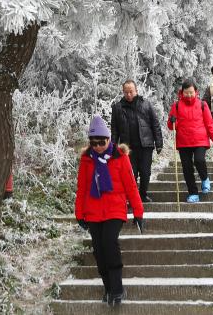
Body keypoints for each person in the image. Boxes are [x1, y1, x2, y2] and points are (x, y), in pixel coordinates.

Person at [75, 114, 145, 306]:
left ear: (109, 139)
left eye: (101, 142)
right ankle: (108, 288)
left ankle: (117, 288)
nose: (98, 146)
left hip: (115, 209)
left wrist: (138, 212)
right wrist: (79, 213)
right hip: (93, 210)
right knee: (98, 250)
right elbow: (82, 188)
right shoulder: (86, 159)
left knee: (109, 243)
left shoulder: (120, 157)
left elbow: (131, 186)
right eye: (94, 143)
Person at [167, 80, 213, 203]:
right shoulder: (176, 105)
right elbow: (171, 126)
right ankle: (193, 193)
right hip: (183, 141)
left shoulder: (202, 104)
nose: (189, 95)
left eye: (191, 92)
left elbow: (210, 124)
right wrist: (172, 120)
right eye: (186, 93)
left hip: (200, 140)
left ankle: (205, 178)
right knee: (187, 168)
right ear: (182, 92)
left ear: (196, 92)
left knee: (199, 160)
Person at [110, 79, 163, 203]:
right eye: (126, 92)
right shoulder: (117, 108)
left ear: (136, 91)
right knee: (131, 174)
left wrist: (159, 143)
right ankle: (132, 198)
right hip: (128, 148)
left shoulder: (146, 104)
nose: (129, 94)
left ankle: (143, 195)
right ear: (123, 92)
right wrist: (113, 147)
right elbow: (114, 130)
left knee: (145, 173)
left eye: (131, 92)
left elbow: (155, 124)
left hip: (146, 145)